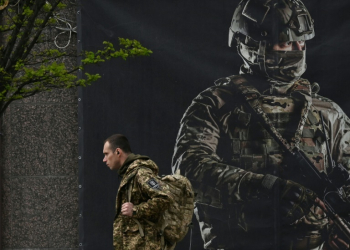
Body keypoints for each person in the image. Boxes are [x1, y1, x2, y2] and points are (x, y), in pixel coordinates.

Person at [172, 0, 350, 249]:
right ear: (253, 45)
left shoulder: (327, 113)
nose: (299, 49)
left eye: (302, 42)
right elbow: (187, 172)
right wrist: (266, 187)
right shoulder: (216, 104)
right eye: (287, 42)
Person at [103, 134, 173, 250]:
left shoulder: (141, 173)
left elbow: (165, 198)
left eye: (106, 154)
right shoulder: (128, 173)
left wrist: (135, 210)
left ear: (118, 152)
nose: (104, 159)